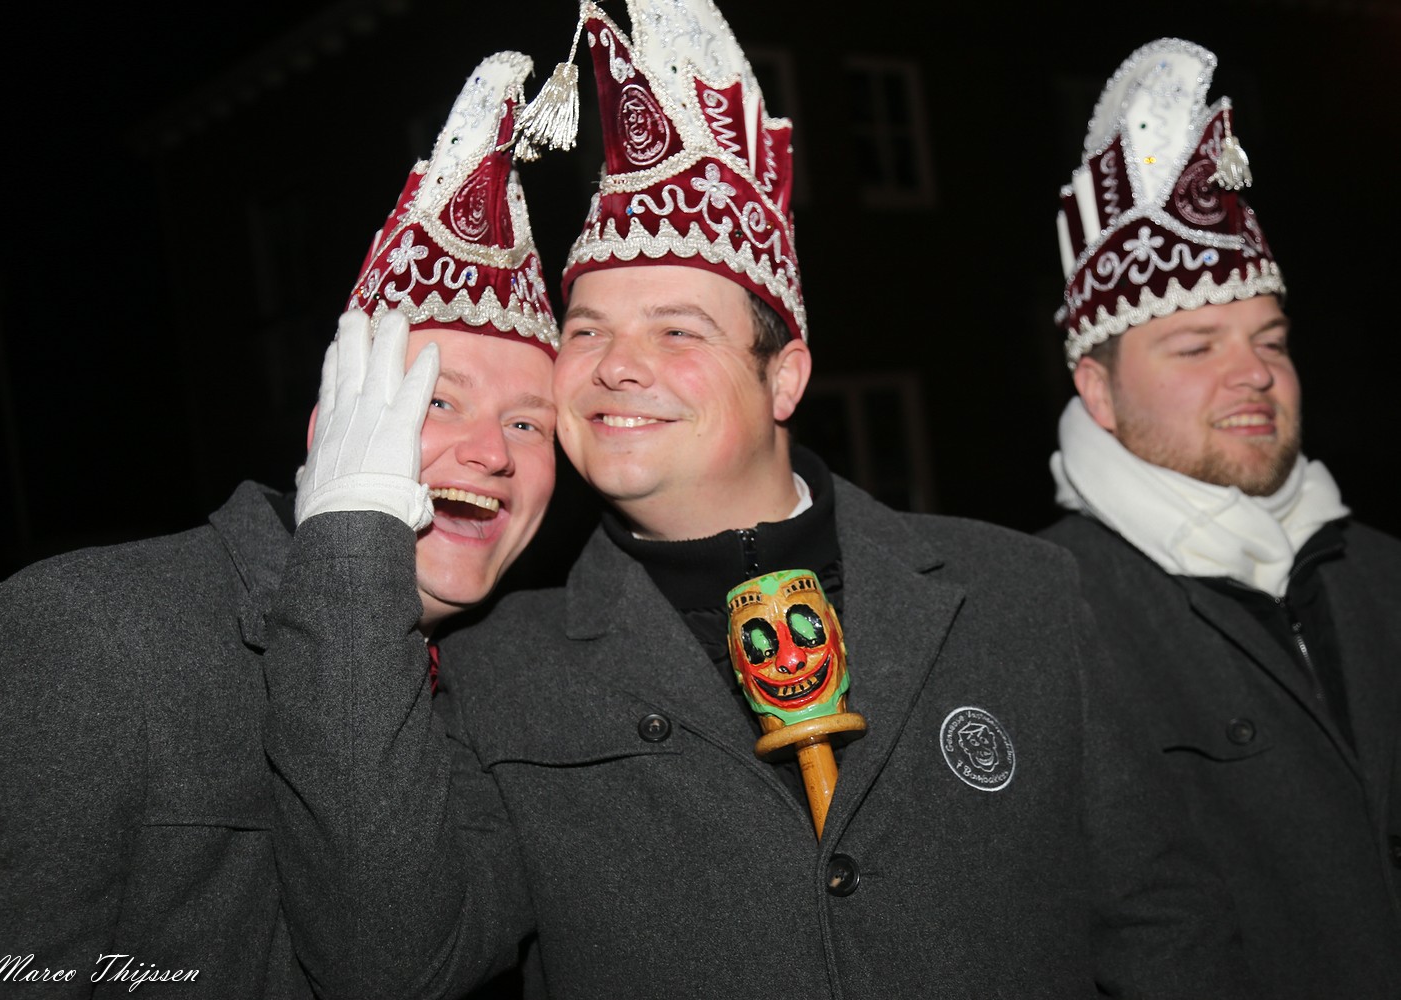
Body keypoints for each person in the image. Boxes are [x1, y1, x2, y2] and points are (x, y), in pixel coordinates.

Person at [266, 4, 1251, 998]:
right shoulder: (499, 671)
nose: (615, 367)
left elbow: (1165, 927)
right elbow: (388, 961)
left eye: (677, 332)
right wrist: (351, 544)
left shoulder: (1021, 593)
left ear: (784, 379)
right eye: (588, 331)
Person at [0, 51, 558, 998]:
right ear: (333, 430)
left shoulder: (512, 700)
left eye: (530, 424)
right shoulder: (82, 639)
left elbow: (400, 965)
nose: (493, 452)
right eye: (438, 400)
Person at [1040, 38, 1401, 1000]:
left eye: (1270, 341)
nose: (1254, 374)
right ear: (1100, 392)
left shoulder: (1382, 574)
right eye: (1197, 346)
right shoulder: (1042, 616)